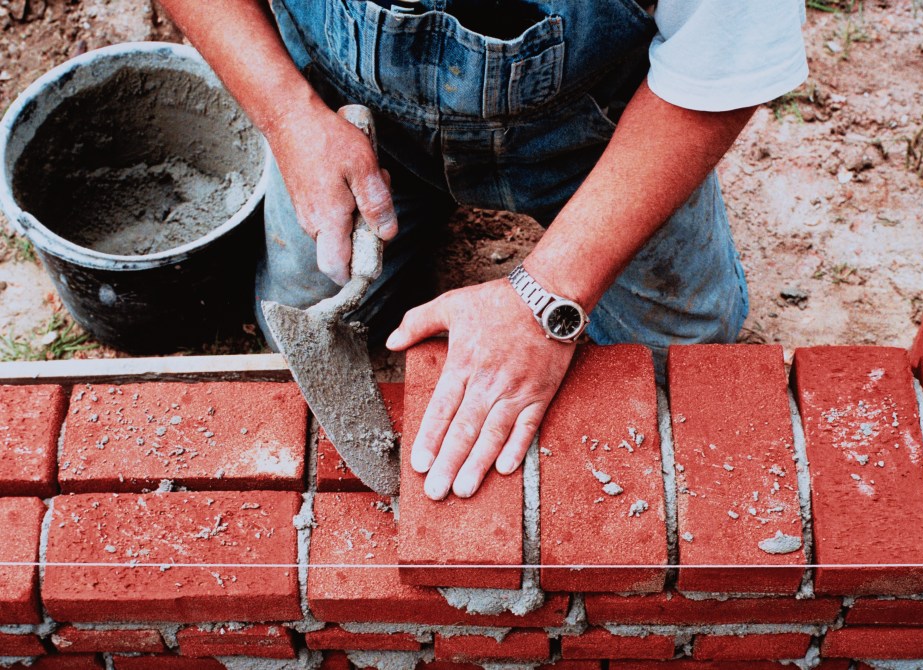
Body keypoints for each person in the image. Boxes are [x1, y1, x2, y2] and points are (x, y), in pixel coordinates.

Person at [158, 0, 808, 501]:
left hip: (592, 130)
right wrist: (288, 115)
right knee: (304, 301)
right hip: (350, 115)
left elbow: (721, 63)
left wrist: (548, 295)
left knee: (682, 360)